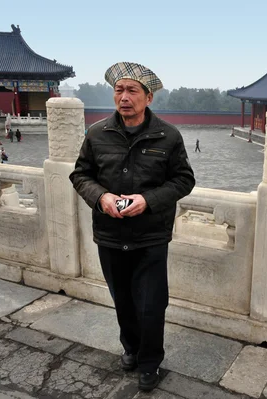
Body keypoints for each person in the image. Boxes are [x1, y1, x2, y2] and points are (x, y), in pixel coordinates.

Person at [69, 62, 195, 393]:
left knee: (152, 304)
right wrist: (102, 197)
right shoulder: (97, 133)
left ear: (148, 97)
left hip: (151, 236)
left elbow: (184, 180)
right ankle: (131, 349)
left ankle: (150, 362)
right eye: (119, 90)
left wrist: (148, 200)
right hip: (110, 234)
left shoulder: (168, 136)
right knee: (122, 300)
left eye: (132, 91)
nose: (124, 97)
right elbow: (80, 176)